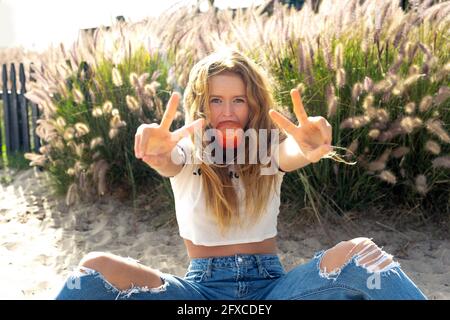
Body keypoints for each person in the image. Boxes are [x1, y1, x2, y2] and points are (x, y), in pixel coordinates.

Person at [55, 48, 427, 300]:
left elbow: (290, 153)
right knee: (95, 267)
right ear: (201, 104)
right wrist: (154, 151)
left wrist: (310, 148)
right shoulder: (188, 151)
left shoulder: (266, 150)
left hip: (273, 292)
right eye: (216, 100)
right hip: (199, 295)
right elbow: (169, 159)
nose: (228, 111)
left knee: (360, 253)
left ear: (254, 104)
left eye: (239, 100)